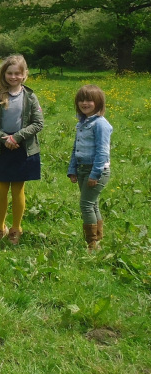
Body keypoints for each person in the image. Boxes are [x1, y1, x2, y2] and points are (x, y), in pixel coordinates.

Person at [0, 54, 44, 245]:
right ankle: (0, 226)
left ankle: (16, 228)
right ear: (4, 74)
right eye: (10, 73)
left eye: (18, 73)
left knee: (18, 189)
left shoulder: (31, 97)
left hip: (23, 148)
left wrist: (16, 137)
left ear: (24, 75)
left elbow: (38, 123)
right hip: (3, 148)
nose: (14, 77)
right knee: (1, 188)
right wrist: (3, 138)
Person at [67, 85, 112, 252]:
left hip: (97, 170)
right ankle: (98, 239)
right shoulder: (82, 123)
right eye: (81, 100)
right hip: (82, 169)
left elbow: (102, 152)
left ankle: (91, 244)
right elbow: (76, 148)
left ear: (98, 102)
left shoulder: (100, 124)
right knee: (93, 205)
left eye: (89, 100)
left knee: (86, 205)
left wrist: (95, 174)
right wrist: (72, 169)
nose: (84, 103)